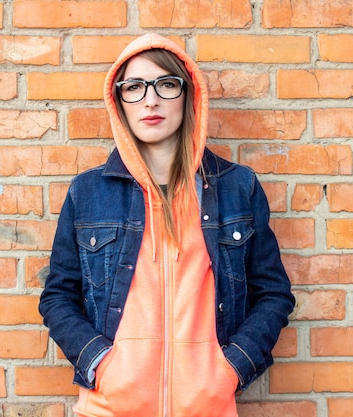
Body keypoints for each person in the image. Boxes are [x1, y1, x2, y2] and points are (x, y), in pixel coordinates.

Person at [39, 33, 295, 417]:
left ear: (189, 94)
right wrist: (103, 365)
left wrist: (230, 370)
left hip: (207, 408)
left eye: (166, 84)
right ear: (118, 101)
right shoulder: (89, 192)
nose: (151, 99)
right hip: (109, 407)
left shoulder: (236, 188)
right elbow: (58, 297)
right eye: (135, 87)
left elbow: (273, 295)